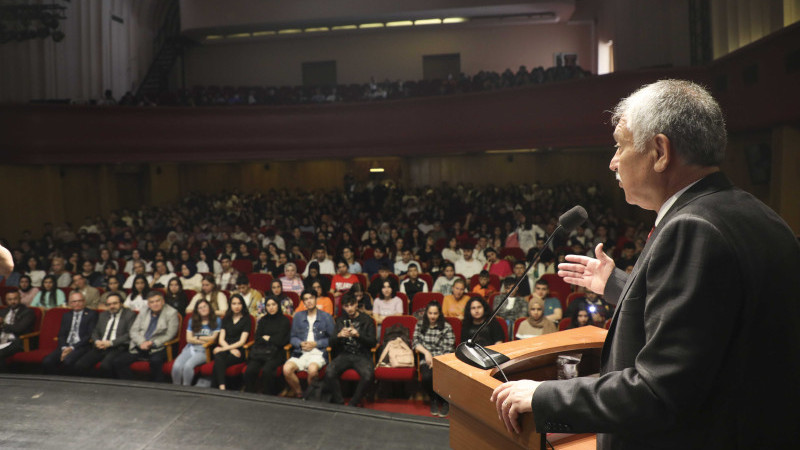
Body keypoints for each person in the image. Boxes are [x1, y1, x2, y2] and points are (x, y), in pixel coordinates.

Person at [492, 79, 800, 449]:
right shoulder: (757, 215)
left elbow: (660, 390)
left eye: (620, 145)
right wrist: (619, 285)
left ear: (659, 151)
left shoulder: (691, 229)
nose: (613, 161)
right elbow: (715, 318)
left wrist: (544, 396)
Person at [112, 291, 179, 382]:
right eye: (152, 302)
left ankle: (155, 388)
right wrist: (141, 342)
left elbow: (170, 334)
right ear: (148, 304)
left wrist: (152, 343)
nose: (155, 304)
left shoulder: (171, 312)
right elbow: (134, 330)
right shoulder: (144, 310)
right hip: (141, 345)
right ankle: (133, 386)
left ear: (163, 301)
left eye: (157, 301)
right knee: (118, 361)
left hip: (159, 346)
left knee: (155, 361)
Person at [324, 293, 377, 407]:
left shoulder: (366, 320)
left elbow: (373, 342)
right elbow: (331, 342)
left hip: (361, 355)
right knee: (329, 372)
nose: (350, 308)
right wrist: (339, 335)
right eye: (346, 306)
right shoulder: (340, 320)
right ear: (343, 307)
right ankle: (339, 402)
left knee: (368, 375)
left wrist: (358, 335)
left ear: (356, 304)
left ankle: (354, 402)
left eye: (352, 305)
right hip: (344, 354)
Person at [283, 290, 334, 398]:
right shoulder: (298, 316)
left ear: (315, 299)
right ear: (303, 302)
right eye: (305, 299)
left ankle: (311, 397)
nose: (309, 301)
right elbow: (292, 338)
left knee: (312, 370)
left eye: (311, 298)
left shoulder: (326, 317)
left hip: (318, 353)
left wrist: (316, 344)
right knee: (286, 369)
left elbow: (333, 339)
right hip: (300, 352)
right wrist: (300, 343)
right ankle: (300, 394)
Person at [72, 293, 137, 377]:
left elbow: (129, 334)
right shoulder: (103, 315)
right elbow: (95, 331)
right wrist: (97, 341)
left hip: (117, 347)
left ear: (121, 303)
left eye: (115, 303)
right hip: (100, 346)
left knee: (105, 366)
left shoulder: (129, 315)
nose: (112, 306)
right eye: (109, 304)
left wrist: (110, 343)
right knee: (80, 365)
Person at [413, 301, 455, 417]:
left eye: (435, 313)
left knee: (442, 375)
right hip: (426, 358)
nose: (432, 316)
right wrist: (426, 353)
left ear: (439, 314)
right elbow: (415, 342)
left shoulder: (446, 327)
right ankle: (434, 398)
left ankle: (445, 401)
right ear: (426, 313)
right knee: (426, 377)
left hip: (442, 358)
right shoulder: (420, 324)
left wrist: (437, 361)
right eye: (430, 313)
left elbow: (449, 347)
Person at [42, 292, 98, 374]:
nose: (77, 303)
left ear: (84, 301)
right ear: (70, 304)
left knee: (68, 361)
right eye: (74, 302)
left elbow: (89, 335)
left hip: (81, 346)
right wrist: (64, 348)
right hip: (65, 346)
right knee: (47, 361)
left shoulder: (91, 314)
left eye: (80, 301)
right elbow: (61, 334)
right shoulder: (66, 315)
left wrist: (72, 348)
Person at [243, 297, 290, 394]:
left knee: (267, 370)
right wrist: (272, 339)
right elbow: (257, 339)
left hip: (277, 353)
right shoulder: (263, 320)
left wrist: (267, 338)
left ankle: (268, 395)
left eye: (274, 304)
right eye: (268, 305)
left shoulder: (284, 320)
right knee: (250, 369)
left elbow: (281, 341)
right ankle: (250, 395)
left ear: (278, 305)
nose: (271, 307)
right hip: (261, 351)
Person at [170, 299, 221, 386]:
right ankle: (177, 388)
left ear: (209, 307)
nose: (203, 309)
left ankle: (187, 388)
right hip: (190, 348)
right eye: (200, 308)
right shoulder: (192, 320)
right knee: (176, 366)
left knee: (188, 366)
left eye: (205, 306)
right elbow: (188, 339)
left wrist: (197, 337)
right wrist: (203, 339)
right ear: (197, 311)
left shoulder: (217, 320)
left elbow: (213, 338)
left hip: (204, 350)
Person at [211, 294, 250, 390]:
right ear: (230, 305)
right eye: (234, 304)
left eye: (239, 304)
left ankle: (215, 388)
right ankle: (222, 387)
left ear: (243, 305)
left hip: (239, 351)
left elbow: (242, 341)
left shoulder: (246, 319)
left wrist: (225, 349)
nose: (237, 306)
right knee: (219, 357)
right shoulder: (226, 318)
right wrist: (229, 349)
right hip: (228, 348)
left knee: (218, 359)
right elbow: (221, 339)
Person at [0, 290, 36, 370]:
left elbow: (18, 329)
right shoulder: (2, 312)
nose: (13, 302)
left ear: (20, 299)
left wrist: (3, 324)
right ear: (6, 301)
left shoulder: (28, 312)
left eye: (15, 299)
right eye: (10, 299)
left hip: (17, 341)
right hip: (2, 339)